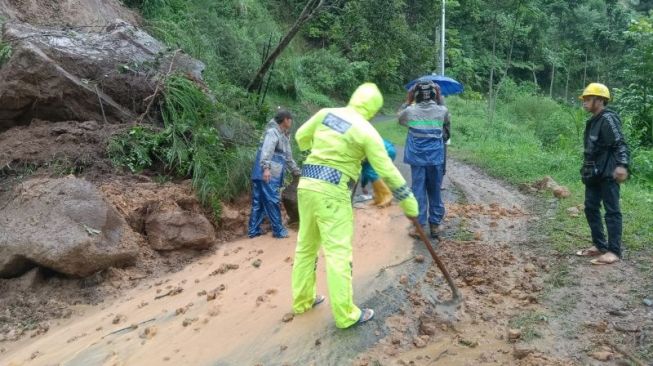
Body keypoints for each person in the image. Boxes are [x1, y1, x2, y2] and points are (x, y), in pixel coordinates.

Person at [291, 83, 419, 328]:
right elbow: (388, 171)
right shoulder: (366, 131)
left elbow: (300, 137)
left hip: (306, 185)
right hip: (332, 191)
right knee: (338, 254)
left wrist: (319, 153)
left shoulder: (325, 113)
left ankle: (302, 301)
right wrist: (409, 201)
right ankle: (346, 315)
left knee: (305, 247)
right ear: (372, 109)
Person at [575, 83, 629, 265]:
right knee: (590, 207)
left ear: (600, 100)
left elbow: (620, 143)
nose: (584, 102)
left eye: (588, 99)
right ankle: (599, 245)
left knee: (612, 211)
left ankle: (614, 251)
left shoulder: (608, 119)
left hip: (608, 171)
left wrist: (622, 165)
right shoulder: (594, 120)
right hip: (593, 172)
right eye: (584, 99)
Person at [398, 81, 451, 239]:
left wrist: (408, 100)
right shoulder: (442, 110)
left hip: (417, 158)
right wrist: (439, 98)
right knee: (435, 190)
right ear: (435, 95)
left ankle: (419, 227)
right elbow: (446, 122)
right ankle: (435, 226)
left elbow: (400, 119)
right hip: (436, 158)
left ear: (416, 95)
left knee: (418, 191)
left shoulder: (410, 111)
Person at [248, 109, 301, 239]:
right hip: (268, 174)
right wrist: (266, 169)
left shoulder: (284, 135)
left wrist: (296, 171)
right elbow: (266, 151)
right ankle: (278, 230)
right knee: (272, 200)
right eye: (290, 120)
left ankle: (253, 231)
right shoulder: (273, 133)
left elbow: (288, 157)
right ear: (286, 120)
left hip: (267, 174)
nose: (291, 122)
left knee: (259, 202)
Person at [360, 139, 396, 207]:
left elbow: (365, 172)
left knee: (370, 172)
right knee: (373, 173)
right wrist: (363, 186)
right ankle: (379, 198)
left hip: (385, 150)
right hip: (388, 149)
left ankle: (387, 195)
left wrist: (363, 186)